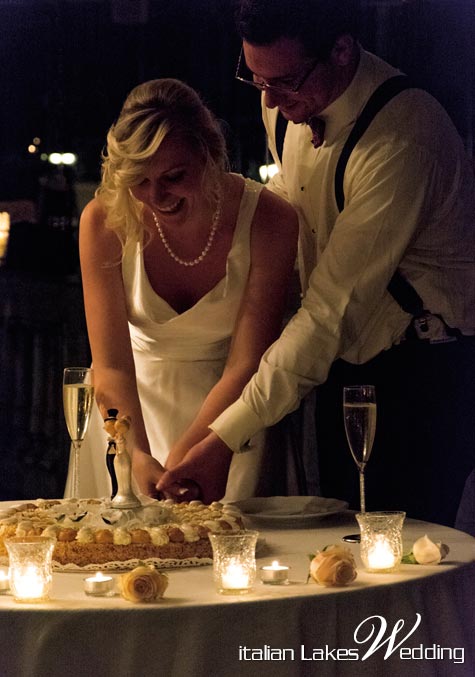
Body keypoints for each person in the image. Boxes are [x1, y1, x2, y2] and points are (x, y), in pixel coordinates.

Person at [158, 0, 475, 527]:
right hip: (343, 369)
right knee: (341, 545)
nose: (270, 99)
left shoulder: (404, 135)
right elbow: (294, 206)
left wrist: (224, 441)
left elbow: (331, 311)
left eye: (283, 81)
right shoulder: (283, 104)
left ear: (343, 50)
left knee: (409, 558)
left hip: (424, 374)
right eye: (254, 78)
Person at [64, 78, 298, 502]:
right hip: (127, 420)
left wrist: (192, 453)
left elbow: (247, 362)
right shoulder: (103, 222)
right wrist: (133, 456)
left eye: (174, 176)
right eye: (139, 179)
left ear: (208, 153)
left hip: (230, 429)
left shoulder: (270, 218)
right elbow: (112, 366)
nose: (156, 196)